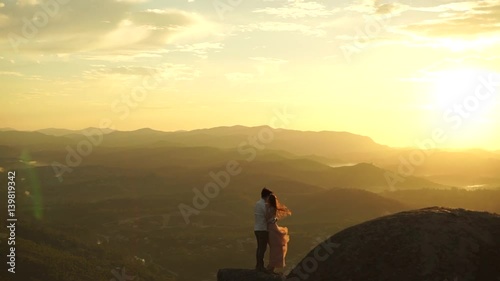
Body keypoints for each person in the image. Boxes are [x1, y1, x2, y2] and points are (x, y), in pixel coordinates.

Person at [266, 193, 291, 274]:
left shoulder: (270, 208)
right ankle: (271, 266)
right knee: (277, 248)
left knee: (276, 248)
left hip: (272, 228)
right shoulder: (271, 208)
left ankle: (271, 266)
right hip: (272, 228)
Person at [254, 187, 273, 272]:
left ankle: (259, 265)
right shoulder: (263, 205)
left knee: (259, 248)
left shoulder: (257, 204)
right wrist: (274, 219)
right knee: (262, 248)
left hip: (257, 228)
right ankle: (260, 267)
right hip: (263, 229)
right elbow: (267, 217)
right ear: (267, 196)